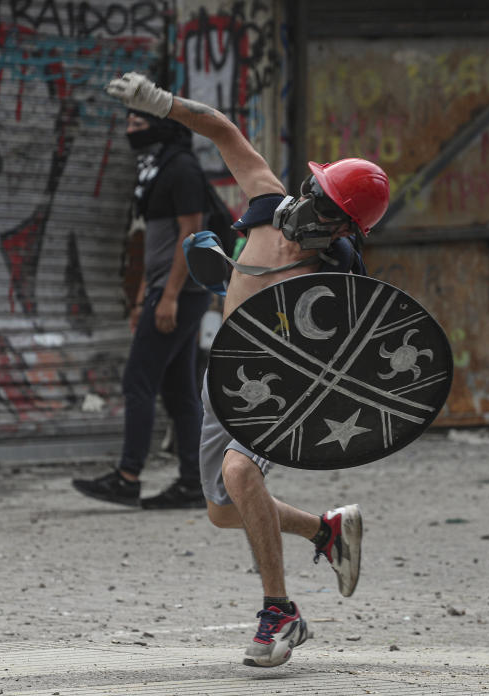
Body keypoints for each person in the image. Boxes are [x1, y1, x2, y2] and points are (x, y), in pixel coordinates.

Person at [104, 71, 390, 667]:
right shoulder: (266, 205)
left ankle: (280, 612)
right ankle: (326, 532)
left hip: (276, 387)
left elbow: (346, 356)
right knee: (221, 508)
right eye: (316, 194)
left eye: (330, 211)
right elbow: (222, 129)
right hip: (223, 374)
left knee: (239, 473)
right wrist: (161, 103)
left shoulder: (335, 279)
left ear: (344, 228)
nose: (312, 210)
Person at [72, 109, 212, 510]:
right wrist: (141, 300)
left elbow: (192, 233)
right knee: (179, 391)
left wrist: (167, 296)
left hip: (179, 292)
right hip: (169, 291)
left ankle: (127, 476)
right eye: (128, 122)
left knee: (138, 380)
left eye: (138, 124)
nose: (130, 131)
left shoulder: (181, 168)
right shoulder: (157, 170)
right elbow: (154, 246)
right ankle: (192, 482)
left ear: (162, 126)